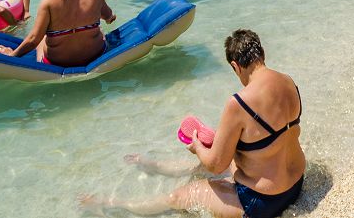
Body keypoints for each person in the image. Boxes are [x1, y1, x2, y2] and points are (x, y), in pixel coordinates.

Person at [116, 29, 305, 217]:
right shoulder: (289, 82)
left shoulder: (239, 103)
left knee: (177, 197)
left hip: (262, 203)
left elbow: (215, 166)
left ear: (235, 66)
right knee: (214, 161)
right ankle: (153, 166)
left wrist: (197, 147)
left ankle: (115, 204)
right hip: (296, 185)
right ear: (262, 53)